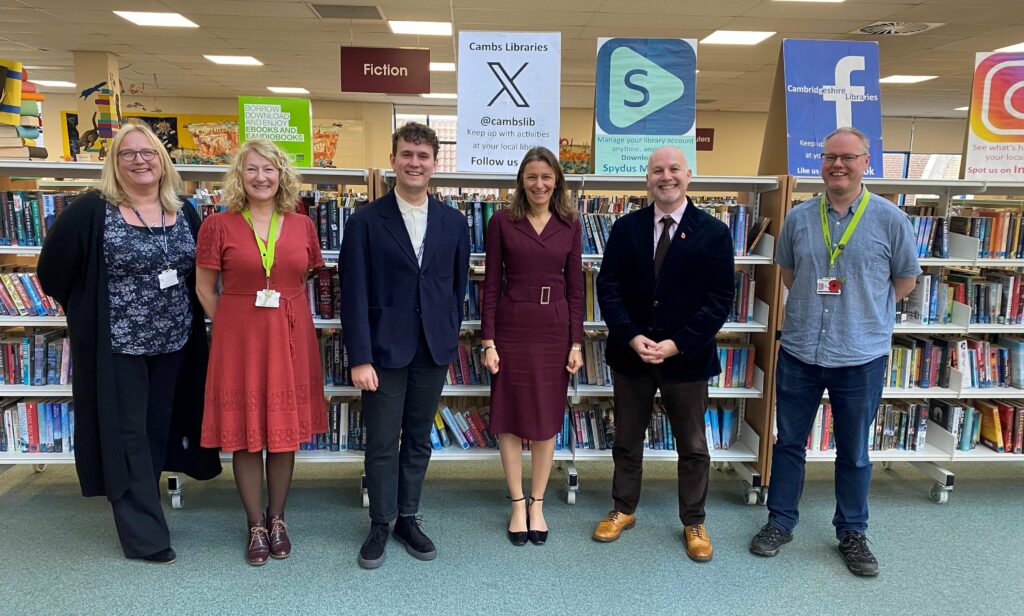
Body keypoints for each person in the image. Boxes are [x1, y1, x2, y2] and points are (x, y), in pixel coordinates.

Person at [37, 122, 221, 565]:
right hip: (118, 345)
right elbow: (53, 271)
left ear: (162, 160)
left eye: (148, 152)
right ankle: (145, 535)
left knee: (158, 430)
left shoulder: (186, 210)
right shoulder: (91, 212)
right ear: (114, 163)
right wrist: (85, 311)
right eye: (128, 154)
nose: (140, 160)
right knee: (129, 435)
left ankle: (146, 502)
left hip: (175, 342)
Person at [749, 127, 920, 577]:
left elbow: (904, 280)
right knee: (788, 442)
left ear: (866, 162)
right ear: (821, 163)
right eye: (829, 157)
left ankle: (852, 532)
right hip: (801, 349)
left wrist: (864, 313)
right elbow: (789, 274)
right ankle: (780, 522)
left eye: (847, 157)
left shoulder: (890, 219)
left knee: (854, 449)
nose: (837, 165)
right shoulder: (799, 217)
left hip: (861, 354)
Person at [593, 146, 734, 562]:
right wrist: (632, 336)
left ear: (689, 175)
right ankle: (623, 509)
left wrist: (678, 343)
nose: (666, 176)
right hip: (632, 353)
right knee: (626, 439)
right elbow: (609, 288)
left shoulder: (713, 232)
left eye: (674, 169)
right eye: (658, 170)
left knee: (692, 444)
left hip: (686, 358)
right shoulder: (626, 228)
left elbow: (720, 298)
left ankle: (693, 520)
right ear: (648, 179)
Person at [341, 122, 469, 569]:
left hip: (432, 350)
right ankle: (380, 521)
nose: (415, 163)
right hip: (382, 352)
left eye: (423, 156)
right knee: (380, 441)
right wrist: (359, 356)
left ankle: (407, 518)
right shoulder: (364, 221)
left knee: (418, 439)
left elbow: (456, 288)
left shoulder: (454, 222)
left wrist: (449, 335)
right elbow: (353, 294)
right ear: (393, 160)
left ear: (435, 164)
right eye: (407, 154)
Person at [194, 139, 327, 566]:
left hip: (290, 336)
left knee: (283, 434)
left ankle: (278, 518)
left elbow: (303, 272)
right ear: (239, 175)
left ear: (282, 174)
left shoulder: (301, 223)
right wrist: (231, 324)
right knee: (247, 435)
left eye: (269, 169)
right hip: (240, 341)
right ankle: (254, 524)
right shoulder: (218, 224)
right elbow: (203, 286)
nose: (261, 177)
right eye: (251, 169)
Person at [480, 146, 584, 547]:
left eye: (545, 176)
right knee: (508, 417)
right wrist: (488, 341)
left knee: (545, 419)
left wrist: (577, 342)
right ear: (521, 182)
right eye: (531, 177)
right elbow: (490, 286)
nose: (539, 184)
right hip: (512, 325)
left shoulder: (570, 223)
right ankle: (517, 503)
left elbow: (576, 290)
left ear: (556, 179)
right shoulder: (503, 222)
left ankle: (538, 503)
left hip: (555, 327)